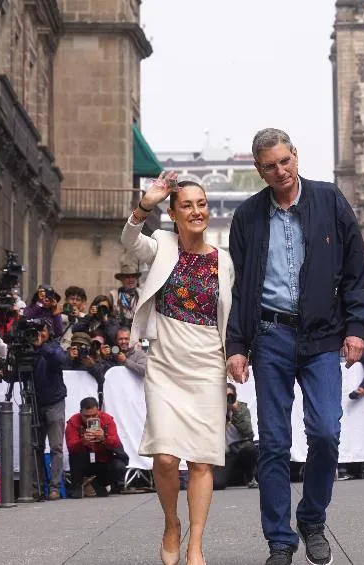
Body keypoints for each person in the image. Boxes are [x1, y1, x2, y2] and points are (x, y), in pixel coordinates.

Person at [226, 129, 364, 565]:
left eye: (285, 161)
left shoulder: (330, 200)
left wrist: (357, 326)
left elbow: (356, 271)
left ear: (295, 156)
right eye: (270, 166)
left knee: (326, 430)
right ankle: (279, 539)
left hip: (324, 334)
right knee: (273, 441)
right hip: (270, 335)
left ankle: (311, 517)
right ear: (259, 169)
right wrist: (236, 345)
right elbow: (236, 288)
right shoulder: (248, 216)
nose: (280, 171)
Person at [122, 169, 235, 565]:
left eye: (201, 204)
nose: (196, 211)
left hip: (207, 365)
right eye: (187, 205)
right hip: (166, 365)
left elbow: (230, 316)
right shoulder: (162, 245)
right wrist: (144, 205)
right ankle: (172, 523)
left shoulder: (223, 260)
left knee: (202, 459)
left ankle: (195, 544)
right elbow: (129, 242)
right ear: (173, 213)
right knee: (166, 457)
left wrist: (237, 354)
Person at [30, 319, 68, 501]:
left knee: (56, 447)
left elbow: (60, 359)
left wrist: (42, 346)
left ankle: (55, 488)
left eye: (42, 330)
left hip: (54, 402)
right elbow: (15, 375)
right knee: (35, 447)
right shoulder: (27, 349)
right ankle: (37, 487)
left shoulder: (53, 347)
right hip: (35, 404)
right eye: (36, 331)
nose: (39, 334)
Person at [64, 397, 127, 499]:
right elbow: (71, 447)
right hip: (84, 461)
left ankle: (98, 484)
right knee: (77, 453)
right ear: (80, 413)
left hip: (103, 460)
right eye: (87, 416)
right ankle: (77, 486)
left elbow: (116, 443)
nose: (91, 419)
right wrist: (82, 441)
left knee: (119, 467)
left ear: (99, 411)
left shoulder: (107, 419)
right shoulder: (73, 421)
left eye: (94, 415)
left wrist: (104, 438)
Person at [214, 383, 258, 490]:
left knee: (249, 449)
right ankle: (231, 477)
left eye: (230, 396)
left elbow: (248, 432)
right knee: (217, 484)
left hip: (242, 448)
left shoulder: (242, 409)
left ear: (235, 396)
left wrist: (236, 412)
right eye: (225, 396)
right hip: (227, 454)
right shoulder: (216, 411)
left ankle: (250, 477)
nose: (228, 399)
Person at [111, 262, 142, 328]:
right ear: (121, 279)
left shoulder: (142, 294)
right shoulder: (114, 294)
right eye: (127, 277)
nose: (131, 280)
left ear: (137, 279)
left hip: (138, 328)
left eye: (133, 276)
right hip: (120, 329)